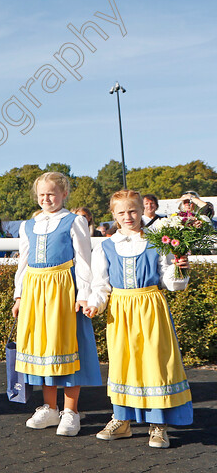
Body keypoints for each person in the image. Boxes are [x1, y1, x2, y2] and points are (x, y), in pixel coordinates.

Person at [86, 190, 192, 449]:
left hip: (150, 307)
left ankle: (158, 424)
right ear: (114, 215)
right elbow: (101, 285)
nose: (128, 216)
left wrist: (180, 269)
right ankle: (121, 419)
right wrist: (94, 305)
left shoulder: (158, 242)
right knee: (123, 363)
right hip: (120, 310)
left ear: (142, 210)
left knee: (155, 363)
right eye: (121, 212)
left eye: (133, 211)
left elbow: (170, 282)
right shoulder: (106, 246)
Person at [12, 171, 101, 437]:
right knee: (43, 348)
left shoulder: (74, 221)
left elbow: (84, 260)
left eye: (51, 193)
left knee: (68, 346)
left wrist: (83, 293)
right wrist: (19, 296)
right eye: (41, 195)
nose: (46, 199)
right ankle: (49, 407)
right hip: (36, 292)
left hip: (64, 289)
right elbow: (23, 263)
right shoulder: (29, 224)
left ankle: (71, 411)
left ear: (63, 194)